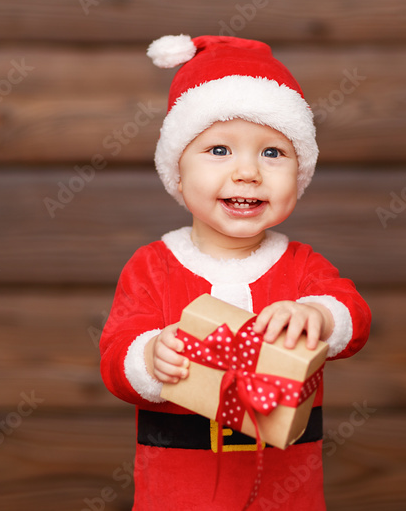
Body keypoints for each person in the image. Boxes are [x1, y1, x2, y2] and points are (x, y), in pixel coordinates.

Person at [99, 34, 371, 510]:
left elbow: (354, 316)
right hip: (180, 490)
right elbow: (115, 357)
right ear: (177, 173)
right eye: (220, 150)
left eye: (272, 153)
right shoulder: (152, 267)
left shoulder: (303, 266)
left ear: (300, 175)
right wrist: (148, 357)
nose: (248, 172)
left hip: (286, 490)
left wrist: (321, 316)